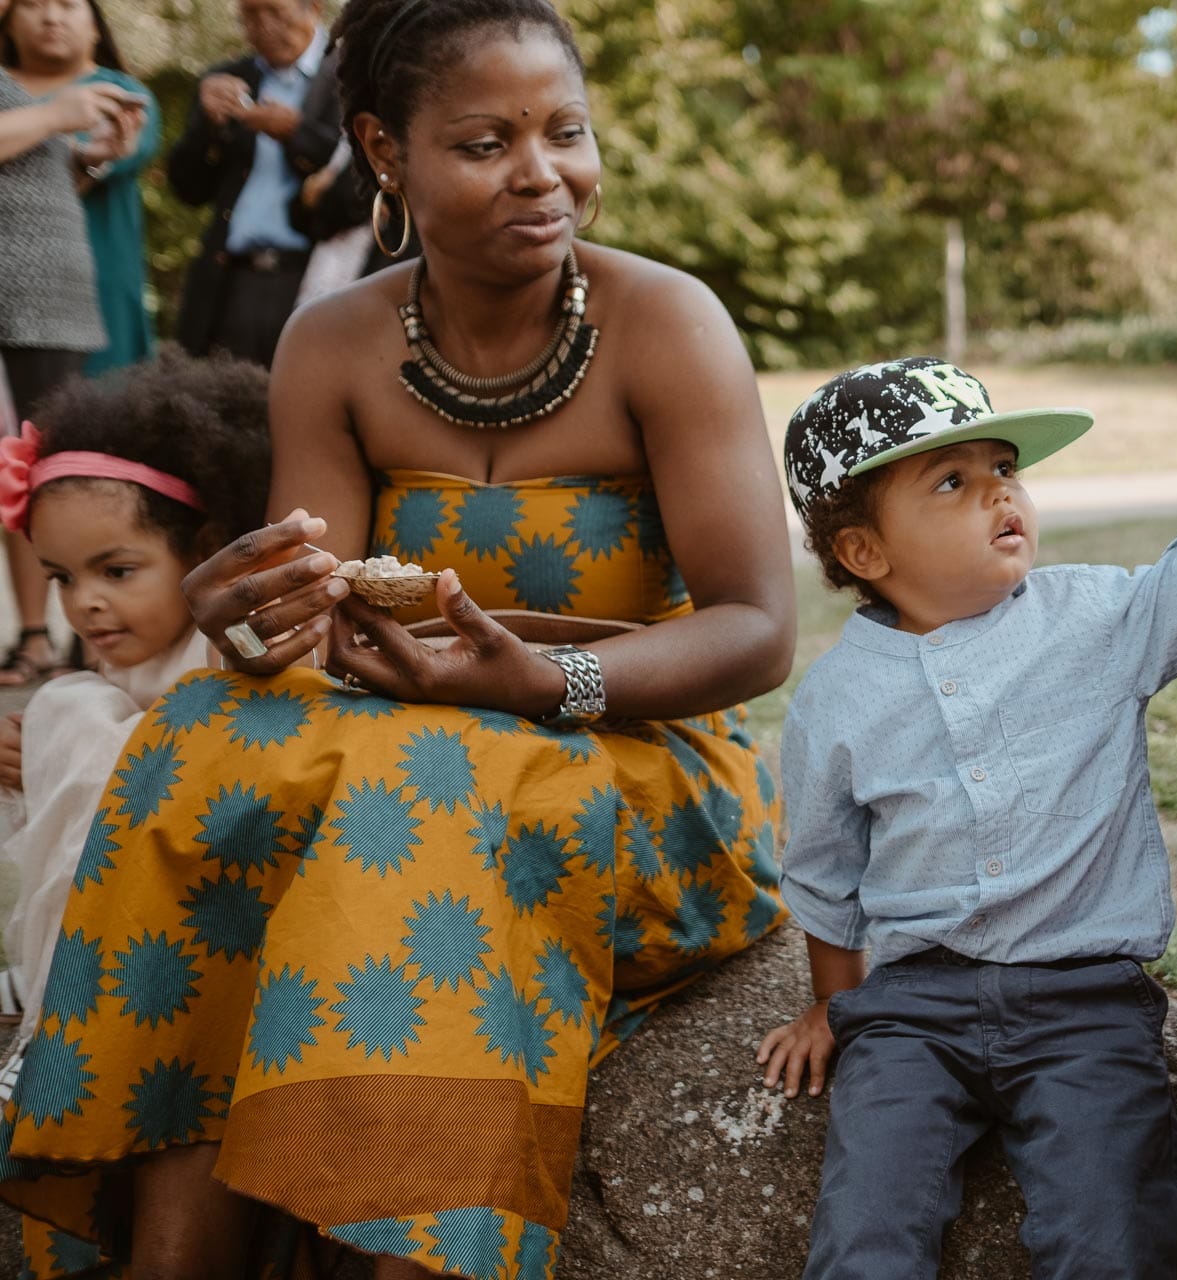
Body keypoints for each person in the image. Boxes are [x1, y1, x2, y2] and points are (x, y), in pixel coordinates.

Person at [0, 0, 794, 1273]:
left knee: (419, 787)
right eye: (486, 143)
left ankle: (405, 1251)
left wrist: (550, 679)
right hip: (397, 733)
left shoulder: (667, 324)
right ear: (383, 150)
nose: (542, 173)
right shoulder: (335, 341)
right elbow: (308, 623)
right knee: (202, 739)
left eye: (565, 132)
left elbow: (758, 627)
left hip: (632, 750)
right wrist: (242, 630)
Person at [757, 357, 1177, 1278]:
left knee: (1114, 1223)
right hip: (912, 1013)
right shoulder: (837, 702)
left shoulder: (1092, 619)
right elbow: (824, 868)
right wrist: (832, 1006)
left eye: (1006, 468)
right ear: (865, 554)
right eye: (954, 482)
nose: (1002, 492)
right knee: (867, 1224)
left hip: (1082, 1001)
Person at [0, 352, 269, 1043]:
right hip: (130, 892)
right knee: (69, 705)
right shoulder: (115, 660)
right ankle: (50, 969)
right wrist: (31, 759)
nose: (84, 604)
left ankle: (69, 1002)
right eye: (61, 578)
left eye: (116, 571)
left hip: (207, 908)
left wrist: (69, 735)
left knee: (70, 708)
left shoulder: (229, 647)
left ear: (204, 549)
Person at [0, 45, 141, 684]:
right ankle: (37, 635)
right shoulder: (43, 94)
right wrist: (56, 114)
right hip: (14, 293)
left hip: (51, 296)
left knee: (40, 465)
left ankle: (78, 639)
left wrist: (91, 157)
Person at [167, 0, 342, 366]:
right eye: (249, 14)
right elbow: (188, 188)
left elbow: (362, 180)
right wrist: (209, 126)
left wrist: (296, 133)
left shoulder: (348, 77)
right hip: (227, 279)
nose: (262, 26)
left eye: (274, 12)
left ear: (312, 7)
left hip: (309, 280)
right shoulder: (230, 79)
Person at [2, 0, 161, 377]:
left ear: (95, 27)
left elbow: (58, 182)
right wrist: (54, 117)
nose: (52, 17)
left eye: (68, 4)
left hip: (91, 291)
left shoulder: (119, 93)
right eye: (33, 4)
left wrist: (89, 158)